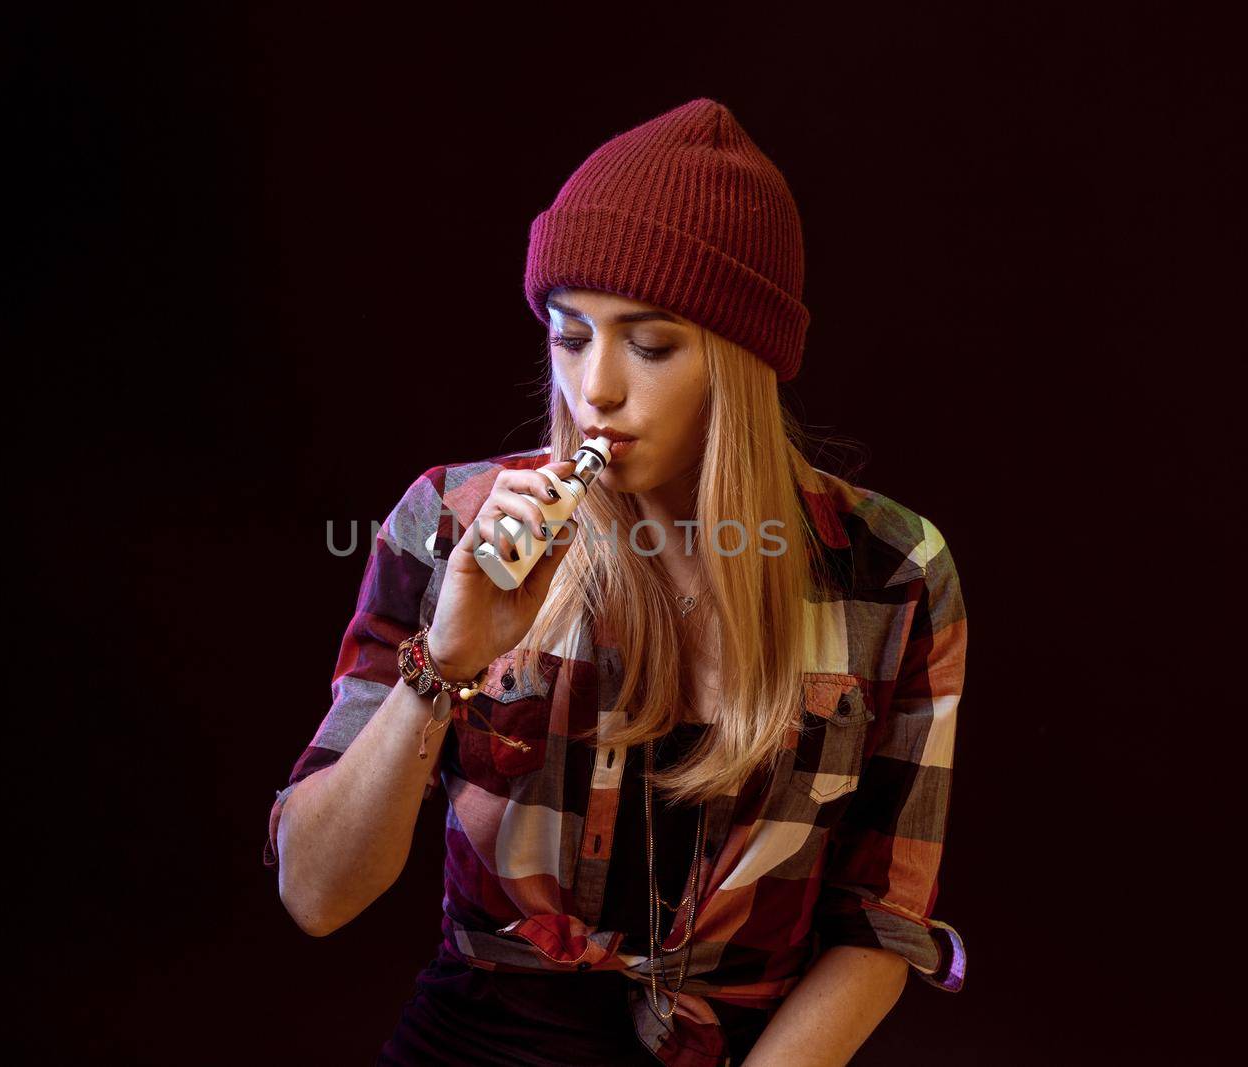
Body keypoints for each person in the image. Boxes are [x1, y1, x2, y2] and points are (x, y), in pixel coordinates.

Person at [264, 97, 968, 1067]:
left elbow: (879, 922)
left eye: (649, 343)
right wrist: (449, 662)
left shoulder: (890, 571)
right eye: (568, 334)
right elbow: (317, 891)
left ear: (741, 357)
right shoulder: (453, 522)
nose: (592, 387)